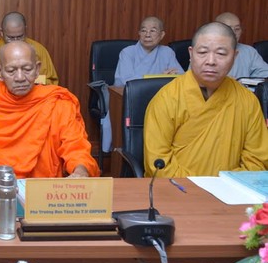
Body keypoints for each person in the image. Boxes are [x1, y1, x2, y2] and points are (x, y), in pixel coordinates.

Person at [144, 22, 268, 177]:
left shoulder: (247, 101)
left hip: (229, 189)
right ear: (191, 54)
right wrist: (198, 187)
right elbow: (158, 163)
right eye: (202, 52)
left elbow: (257, 161)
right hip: (177, 188)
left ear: (235, 56)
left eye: (221, 54)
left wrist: (222, 185)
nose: (211, 61)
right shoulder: (167, 99)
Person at [0, 41, 99, 179]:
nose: (20, 78)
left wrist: (80, 171)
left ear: (37, 69)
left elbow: (76, 148)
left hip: (44, 186)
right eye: (11, 71)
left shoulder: (58, 103)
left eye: (27, 69)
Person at [0, 11, 59, 85]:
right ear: (1, 32)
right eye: (10, 38)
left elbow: (51, 82)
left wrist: (30, 80)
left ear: (25, 30)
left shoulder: (39, 50)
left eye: (20, 37)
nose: (15, 41)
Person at [114, 16, 183, 86]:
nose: (147, 35)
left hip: (162, 92)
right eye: (143, 31)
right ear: (139, 33)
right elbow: (125, 81)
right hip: (134, 92)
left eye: (152, 31)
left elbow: (180, 77)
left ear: (162, 35)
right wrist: (161, 78)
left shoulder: (167, 52)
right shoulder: (127, 52)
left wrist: (171, 76)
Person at [215, 12, 268, 79]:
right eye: (229, 29)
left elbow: (265, 73)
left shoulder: (249, 51)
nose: (234, 33)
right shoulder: (206, 51)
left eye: (237, 29)